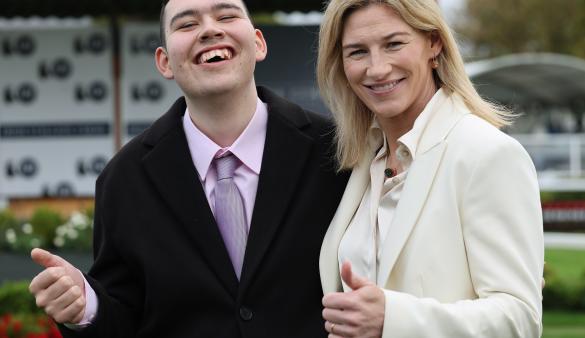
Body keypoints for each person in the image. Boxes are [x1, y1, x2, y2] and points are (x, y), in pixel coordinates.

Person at [28, 0, 348, 337]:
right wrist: (87, 307)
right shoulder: (123, 180)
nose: (210, 29)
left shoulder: (336, 152)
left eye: (226, 16)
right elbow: (124, 316)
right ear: (164, 62)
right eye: (186, 24)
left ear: (258, 43)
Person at [316, 0, 544, 337]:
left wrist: (392, 319)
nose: (377, 68)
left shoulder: (487, 154)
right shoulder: (363, 163)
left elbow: (519, 318)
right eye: (357, 52)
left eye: (394, 44)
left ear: (433, 43)